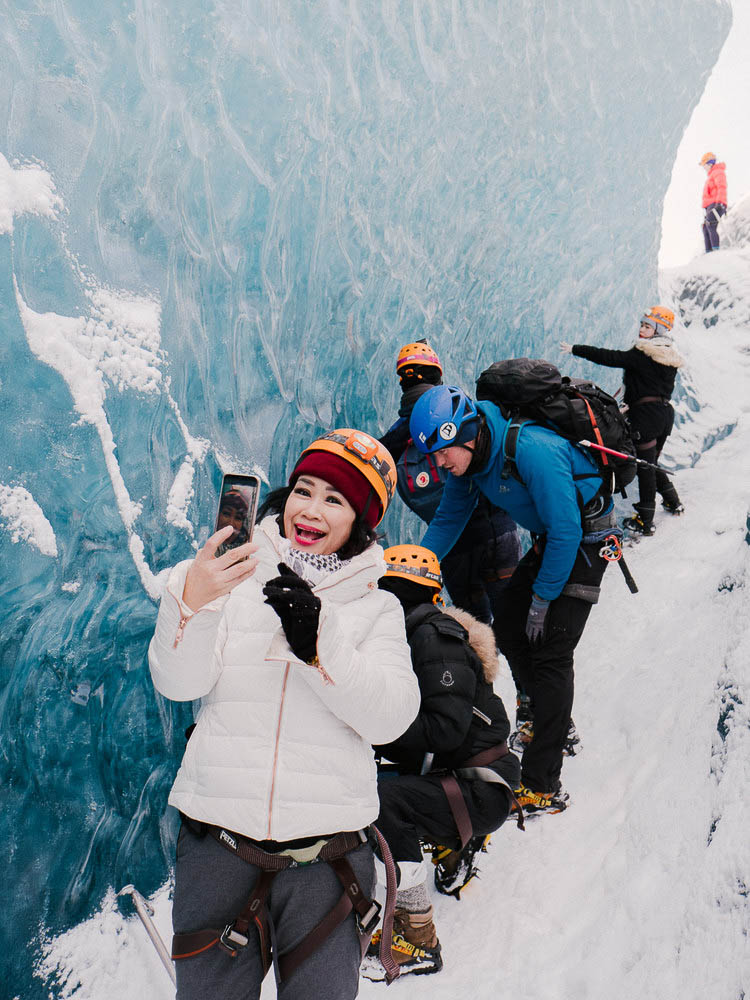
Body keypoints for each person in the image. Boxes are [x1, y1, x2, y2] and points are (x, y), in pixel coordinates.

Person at [148, 428, 420, 1000]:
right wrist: (191, 604)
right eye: (304, 488)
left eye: (334, 499)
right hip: (217, 842)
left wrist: (321, 647)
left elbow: (393, 718)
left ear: (360, 521)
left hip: (328, 859)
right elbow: (179, 684)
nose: (310, 510)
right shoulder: (230, 577)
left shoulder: (377, 608)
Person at [410, 383, 616, 814]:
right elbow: (448, 520)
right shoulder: (471, 464)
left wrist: (543, 599)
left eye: (444, 451)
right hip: (553, 539)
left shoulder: (532, 450)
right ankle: (544, 719)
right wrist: (411, 569)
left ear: (466, 432)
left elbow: (568, 531)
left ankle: (544, 784)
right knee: (505, 621)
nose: (439, 463)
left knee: (553, 652)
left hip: (586, 538)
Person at [361, 545, 520, 981]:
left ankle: (417, 935)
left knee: (381, 800)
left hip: (479, 788)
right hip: (472, 779)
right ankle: (453, 848)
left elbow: (444, 730)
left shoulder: (432, 635)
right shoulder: (422, 630)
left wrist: (370, 727)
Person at [380, 339, 521, 625]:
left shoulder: (397, 434)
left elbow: (376, 462)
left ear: (402, 382)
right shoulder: (457, 411)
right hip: (496, 532)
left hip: (452, 547)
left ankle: (482, 670)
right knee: (513, 625)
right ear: (438, 375)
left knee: (476, 630)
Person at [561, 305, 684, 536]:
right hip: (664, 415)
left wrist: (576, 349)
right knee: (650, 461)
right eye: (642, 324)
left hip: (645, 417)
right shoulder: (669, 356)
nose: (641, 329)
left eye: (647, 326)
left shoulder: (643, 353)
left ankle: (645, 521)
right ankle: (672, 500)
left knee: (644, 468)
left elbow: (610, 357)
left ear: (657, 330)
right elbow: (652, 386)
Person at [699, 151, 727, 253]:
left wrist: (719, 203)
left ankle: (715, 252)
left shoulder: (718, 172)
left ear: (710, 163)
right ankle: (709, 253)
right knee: (705, 228)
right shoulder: (711, 176)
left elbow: (721, 187)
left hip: (717, 204)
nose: (704, 168)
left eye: (704, 165)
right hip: (710, 206)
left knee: (710, 225)